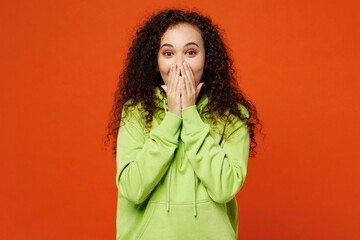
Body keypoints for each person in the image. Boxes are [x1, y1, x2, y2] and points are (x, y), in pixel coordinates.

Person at [106, 8, 263, 240]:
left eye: (190, 52)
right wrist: (172, 118)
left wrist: (190, 115)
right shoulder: (135, 112)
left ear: (207, 59)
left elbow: (224, 188)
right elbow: (132, 189)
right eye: (168, 54)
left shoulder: (232, 115)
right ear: (155, 62)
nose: (180, 65)